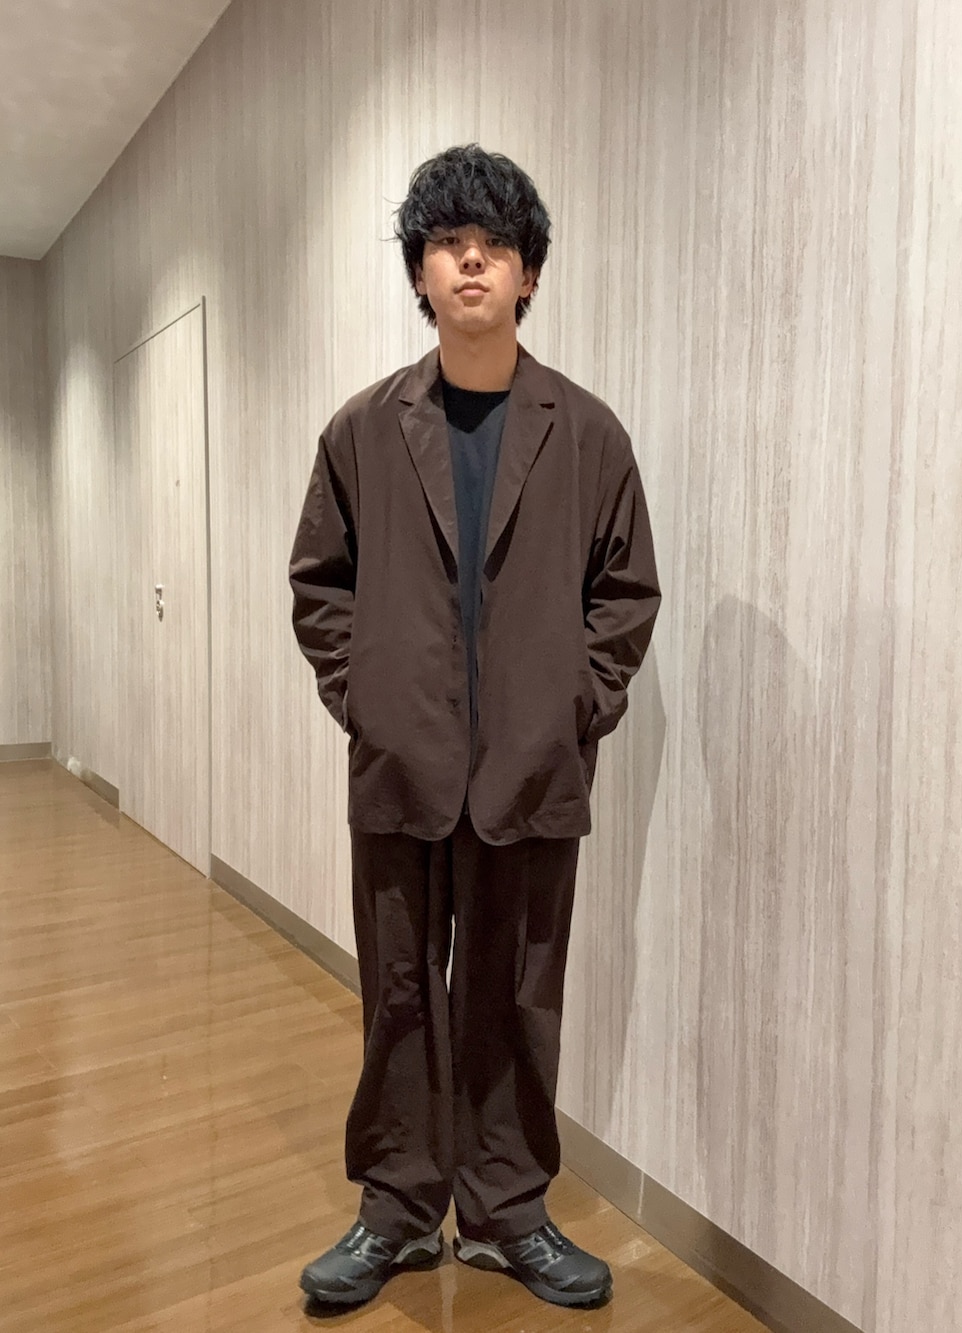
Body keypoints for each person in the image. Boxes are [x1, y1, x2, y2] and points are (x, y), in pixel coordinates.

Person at [289, 144, 660, 1311]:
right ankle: (397, 1211)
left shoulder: (587, 434)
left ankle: (506, 1213)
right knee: (398, 991)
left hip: (530, 774)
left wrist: (575, 711)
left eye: (495, 245)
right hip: (402, 769)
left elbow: (624, 597)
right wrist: (366, 702)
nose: (470, 262)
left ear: (528, 274)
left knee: (514, 996)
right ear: (419, 271)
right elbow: (320, 586)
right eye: (449, 243)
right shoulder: (362, 430)